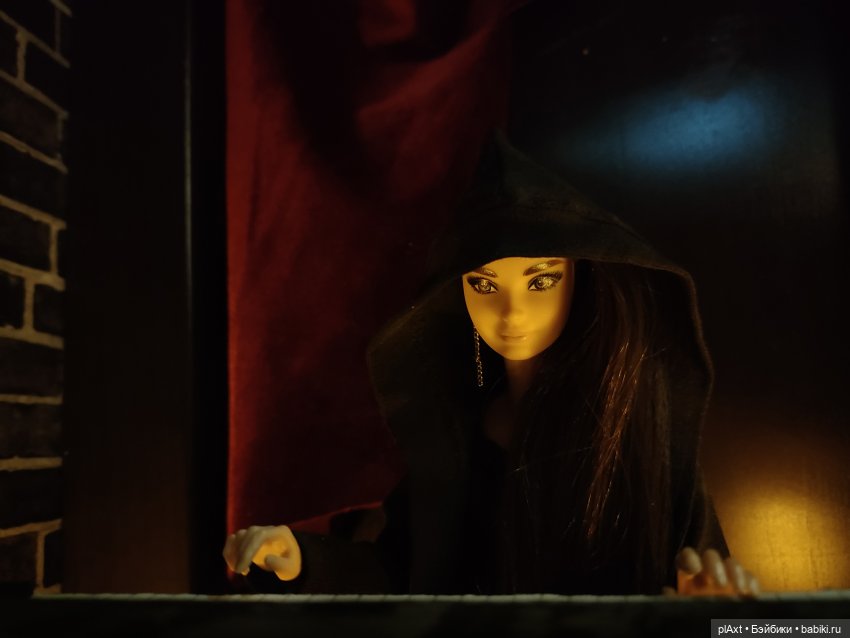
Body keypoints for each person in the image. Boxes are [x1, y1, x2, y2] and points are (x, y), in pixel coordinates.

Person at [223, 132, 760, 596]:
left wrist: (710, 616)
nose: (511, 312)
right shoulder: (457, 429)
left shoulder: (635, 430)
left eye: (540, 280)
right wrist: (301, 560)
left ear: (579, 281)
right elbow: (404, 573)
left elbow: (719, 600)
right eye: (483, 285)